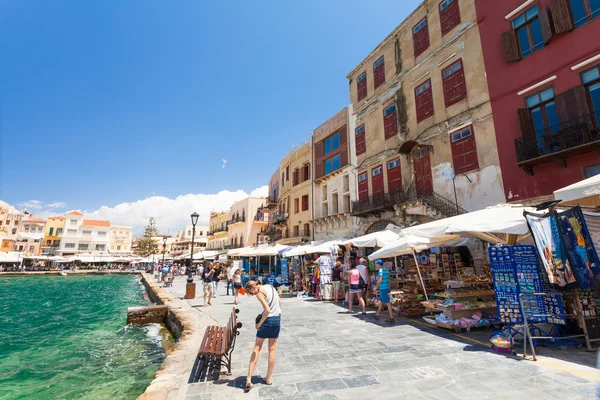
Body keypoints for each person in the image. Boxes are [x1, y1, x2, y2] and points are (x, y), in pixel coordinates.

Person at [244, 280, 281, 392]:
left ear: (254, 287)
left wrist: (258, 324)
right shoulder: (271, 287)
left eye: (251, 292)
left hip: (267, 321)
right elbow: (279, 302)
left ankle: (249, 379)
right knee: (272, 349)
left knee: (257, 348)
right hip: (277, 319)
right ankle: (268, 378)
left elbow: (267, 310)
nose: (253, 294)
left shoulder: (260, 293)